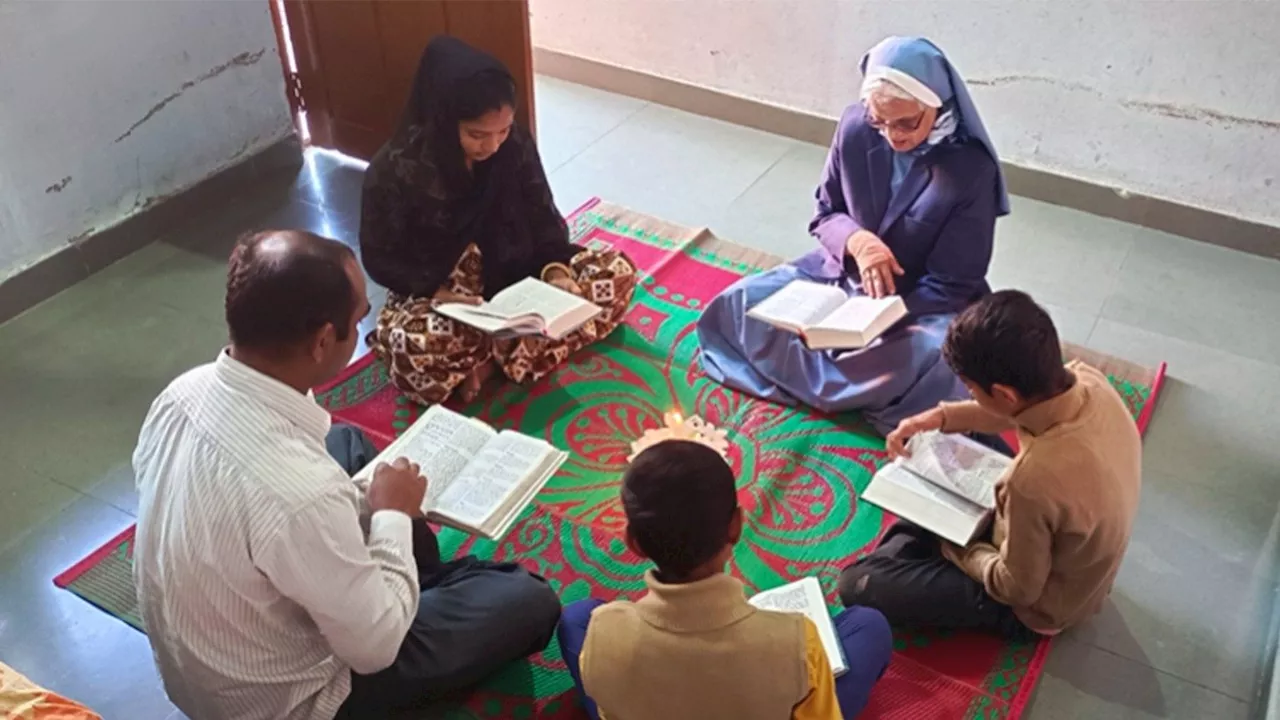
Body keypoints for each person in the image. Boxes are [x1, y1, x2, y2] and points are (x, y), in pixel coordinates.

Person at [132, 230, 561, 720]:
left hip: (212, 667)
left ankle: (404, 583)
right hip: (296, 699)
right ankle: (413, 588)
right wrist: (393, 516)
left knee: (346, 446)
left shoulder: (181, 394)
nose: (366, 327)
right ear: (320, 342)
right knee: (528, 599)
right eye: (359, 320)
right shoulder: (299, 494)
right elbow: (374, 650)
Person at [697, 36, 1008, 434]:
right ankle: (850, 383)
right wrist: (857, 242)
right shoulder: (856, 127)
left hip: (920, 301)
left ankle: (824, 374)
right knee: (738, 303)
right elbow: (826, 213)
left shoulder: (970, 170)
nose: (893, 135)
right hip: (840, 277)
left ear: (938, 105)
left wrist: (878, 318)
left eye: (906, 123)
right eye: (881, 121)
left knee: (938, 360)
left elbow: (953, 282)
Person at [838, 291, 1143, 638]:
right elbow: (1011, 414)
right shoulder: (1088, 380)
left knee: (858, 583)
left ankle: (925, 529)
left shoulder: (1029, 480)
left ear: (1004, 393)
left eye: (970, 389)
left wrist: (954, 545)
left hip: (1041, 605)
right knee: (954, 441)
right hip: (1072, 543)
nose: (968, 396)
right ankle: (922, 528)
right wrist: (937, 419)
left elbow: (1015, 589)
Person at [360, 36, 637, 406]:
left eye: (503, 131)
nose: (492, 146)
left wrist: (556, 272)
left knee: (616, 274)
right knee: (416, 349)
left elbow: (541, 214)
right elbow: (380, 256)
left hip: (520, 277)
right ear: (445, 120)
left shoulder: (515, 145)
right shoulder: (397, 168)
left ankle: (487, 361)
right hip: (446, 296)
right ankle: (506, 351)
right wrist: (438, 293)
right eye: (477, 135)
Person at [557, 440, 893, 720]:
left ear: (633, 542)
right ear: (736, 525)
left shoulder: (605, 632)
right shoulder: (793, 642)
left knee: (575, 618)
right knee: (869, 626)